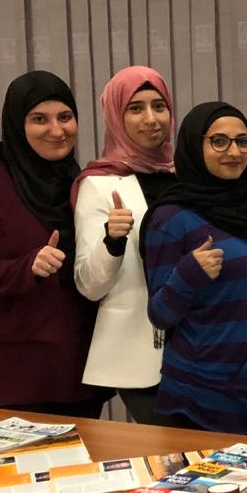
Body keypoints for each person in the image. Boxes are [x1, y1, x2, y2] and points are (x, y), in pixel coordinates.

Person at [0, 70, 107, 418]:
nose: (57, 130)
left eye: (65, 117)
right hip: (4, 379)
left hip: (74, 378)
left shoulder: (83, 184)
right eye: (39, 119)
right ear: (16, 124)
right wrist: (24, 268)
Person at [141, 101, 247, 436]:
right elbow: (159, 315)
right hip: (201, 399)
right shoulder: (171, 217)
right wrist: (188, 274)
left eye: (242, 141)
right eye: (219, 141)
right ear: (195, 146)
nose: (234, 151)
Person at [72, 66, 177, 424]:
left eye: (159, 106)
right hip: (138, 348)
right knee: (167, 448)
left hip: (196, 344)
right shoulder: (99, 184)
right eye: (135, 108)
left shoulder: (185, 176)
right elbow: (89, 284)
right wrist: (112, 240)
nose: (151, 119)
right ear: (116, 115)